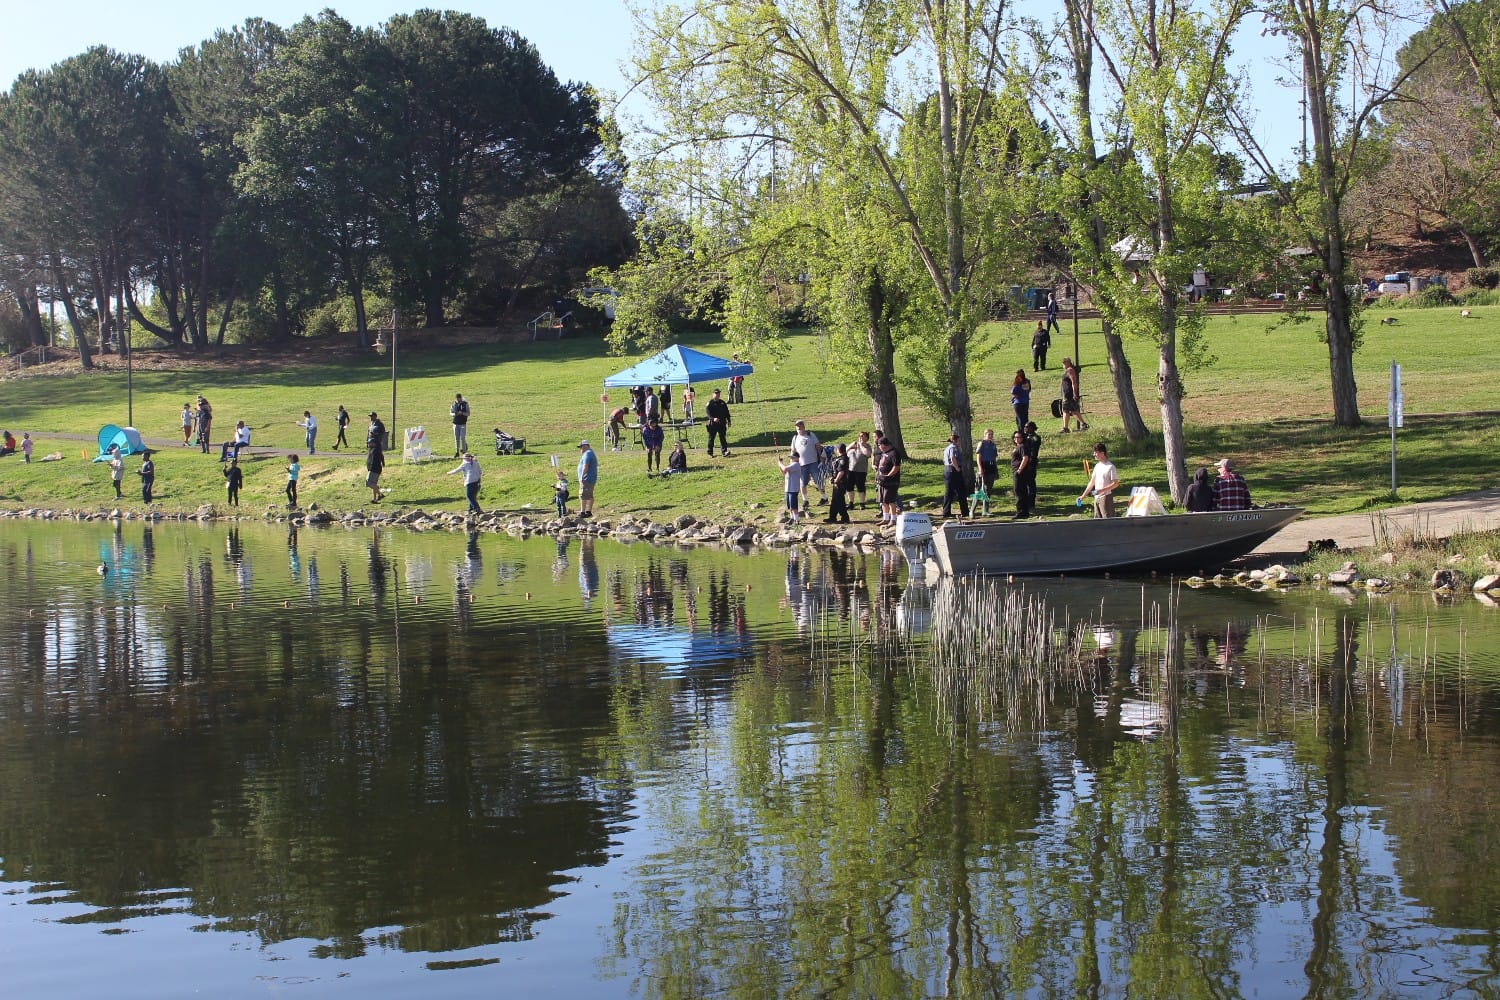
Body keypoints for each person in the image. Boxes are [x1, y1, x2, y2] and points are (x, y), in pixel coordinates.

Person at [1078, 441, 1118, 518]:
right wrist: (1083, 496)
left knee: (1107, 521)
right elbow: (1092, 482)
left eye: (1096, 452)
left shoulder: (1110, 467)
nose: (1094, 454)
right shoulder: (1097, 466)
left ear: (1102, 453)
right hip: (1096, 498)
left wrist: (1101, 490)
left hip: (1106, 498)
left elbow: (1115, 484)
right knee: (1097, 521)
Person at [791, 420, 825, 508]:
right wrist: (792, 462)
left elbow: (818, 445)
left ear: (804, 426)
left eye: (800, 425)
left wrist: (820, 456)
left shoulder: (810, 434)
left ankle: (824, 497)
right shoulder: (795, 438)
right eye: (797, 426)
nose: (799, 427)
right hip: (801, 464)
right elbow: (793, 451)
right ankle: (805, 500)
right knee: (802, 483)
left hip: (813, 462)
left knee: (818, 481)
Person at [941, 433, 969, 518]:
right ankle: (965, 511)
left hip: (947, 470)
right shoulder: (953, 448)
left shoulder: (947, 448)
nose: (959, 442)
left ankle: (946, 512)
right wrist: (957, 468)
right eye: (958, 440)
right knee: (961, 491)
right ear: (954, 441)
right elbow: (953, 458)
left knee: (949, 492)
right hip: (953, 470)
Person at [875, 436, 902, 526]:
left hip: (891, 481)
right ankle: (885, 518)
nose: (879, 447)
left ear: (883, 445)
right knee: (883, 501)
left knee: (890, 500)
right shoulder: (884, 453)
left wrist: (888, 476)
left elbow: (896, 467)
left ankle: (893, 519)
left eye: (879, 445)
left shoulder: (894, 453)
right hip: (882, 481)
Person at [1060, 358, 1087, 433]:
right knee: (1070, 410)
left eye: (1064, 363)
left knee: (1069, 410)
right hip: (1066, 394)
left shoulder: (1070, 370)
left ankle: (1082, 425)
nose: (1063, 365)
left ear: (1068, 363)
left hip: (1069, 394)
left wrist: (1075, 393)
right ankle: (1066, 428)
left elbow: (1074, 382)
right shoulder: (1068, 370)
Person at [826, 443, 851, 524]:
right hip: (837, 482)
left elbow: (841, 471)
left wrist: (836, 480)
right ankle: (832, 517)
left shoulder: (843, 459)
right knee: (834, 500)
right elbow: (834, 470)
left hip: (841, 482)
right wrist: (831, 478)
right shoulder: (838, 458)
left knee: (840, 500)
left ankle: (845, 517)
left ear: (838, 450)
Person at [1010, 430, 1032, 518]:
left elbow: (1025, 458)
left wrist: (1019, 470)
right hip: (1017, 471)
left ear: (1022, 438)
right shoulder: (1018, 447)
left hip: (1020, 473)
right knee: (1021, 491)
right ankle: (1024, 512)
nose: (1017, 439)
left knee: (1019, 491)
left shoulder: (1022, 446)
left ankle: (1021, 511)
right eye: (1015, 437)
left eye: (1019, 437)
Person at [848, 431, 873, 509]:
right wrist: (851, 446)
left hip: (861, 470)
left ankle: (862, 503)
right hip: (851, 470)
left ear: (866, 438)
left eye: (862, 436)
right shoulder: (854, 444)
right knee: (849, 487)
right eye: (859, 436)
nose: (860, 437)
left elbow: (868, 454)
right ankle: (851, 503)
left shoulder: (867, 446)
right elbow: (844, 452)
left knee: (860, 487)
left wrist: (861, 446)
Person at [1022, 422, 1042, 515]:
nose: (1025, 428)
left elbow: (1033, 451)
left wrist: (1029, 462)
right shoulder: (1026, 437)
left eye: (1027, 427)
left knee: (1030, 484)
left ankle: (1031, 504)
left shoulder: (1035, 438)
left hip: (1030, 463)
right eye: (1025, 427)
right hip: (1024, 462)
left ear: (1032, 428)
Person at [705, 388, 732, 457]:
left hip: (722, 423)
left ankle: (724, 452)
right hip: (713, 424)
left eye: (718, 393)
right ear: (713, 394)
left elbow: (727, 412)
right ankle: (710, 452)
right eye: (716, 393)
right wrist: (713, 418)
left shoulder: (722, 403)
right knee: (711, 438)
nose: (717, 395)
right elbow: (708, 413)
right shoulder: (710, 403)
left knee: (723, 438)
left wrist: (729, 420)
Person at [777, 452, 802, 524]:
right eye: (791, 457)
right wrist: (780, 465)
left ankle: (797, 519)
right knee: (790, 505)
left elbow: (785, 468)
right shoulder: (791, 465)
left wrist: (780, 464)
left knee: (793, 505)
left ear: (797, 458)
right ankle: (792, 518)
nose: (791, 459)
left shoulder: (796, 464)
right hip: (788, 488)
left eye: (793, 457)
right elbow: (784, 472)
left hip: (793, 488)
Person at [975, 428, 999, 499]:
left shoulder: (993, 445)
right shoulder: (981, 443)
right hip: (983, 465)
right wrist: (980, 469)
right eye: (989, 434)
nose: (990, 436)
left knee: (989, 488)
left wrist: (996, 469)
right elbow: (978, 457)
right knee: (979, 487)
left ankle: (986, 504)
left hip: (991, 466)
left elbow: (994, 457)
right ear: (985, 435)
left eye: (991, 434)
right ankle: (975, 504)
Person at [576, 440, 598, 518]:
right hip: (591, 478)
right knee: (589, 495)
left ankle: (582, 512)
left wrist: (582, 476)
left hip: (586, 478)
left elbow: (585, 466)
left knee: (583, 495)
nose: (580, 449)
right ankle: (588, 511)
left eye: (581, 447)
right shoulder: (590, 453)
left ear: (585, 446)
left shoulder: (587, 454)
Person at [365, 438, 385, 503]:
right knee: (374, 484)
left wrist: (370, 468)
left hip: (374, 469)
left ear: (374, 443)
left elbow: (374, 461)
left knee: (368, 482)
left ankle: (380, 494)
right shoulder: (374, 449)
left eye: (369, 443)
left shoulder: (375, 450)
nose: (368, 444)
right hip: (375, 469)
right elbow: (382, 458)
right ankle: (374, 499)